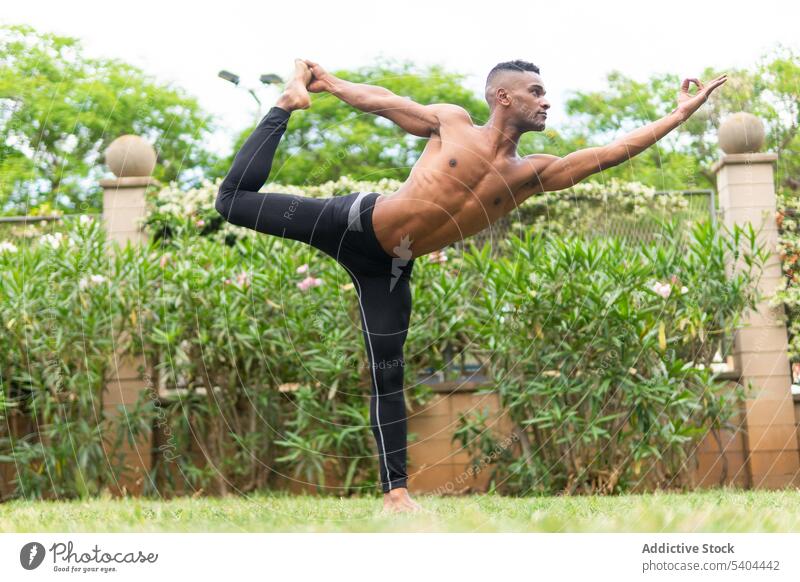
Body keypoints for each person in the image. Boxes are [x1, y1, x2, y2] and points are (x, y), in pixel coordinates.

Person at [215, 59, 726, 513]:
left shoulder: (533, 175)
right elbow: (386, 102)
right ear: (504, 97)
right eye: (536, 91)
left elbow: (613, 150)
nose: (547, 101)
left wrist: (679, 113)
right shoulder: (452, 123)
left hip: (388, 269)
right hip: (352, 221)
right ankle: (284, 103)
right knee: (232, 201)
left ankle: (396, 495)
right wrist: (324, 81)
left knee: (387, 374)